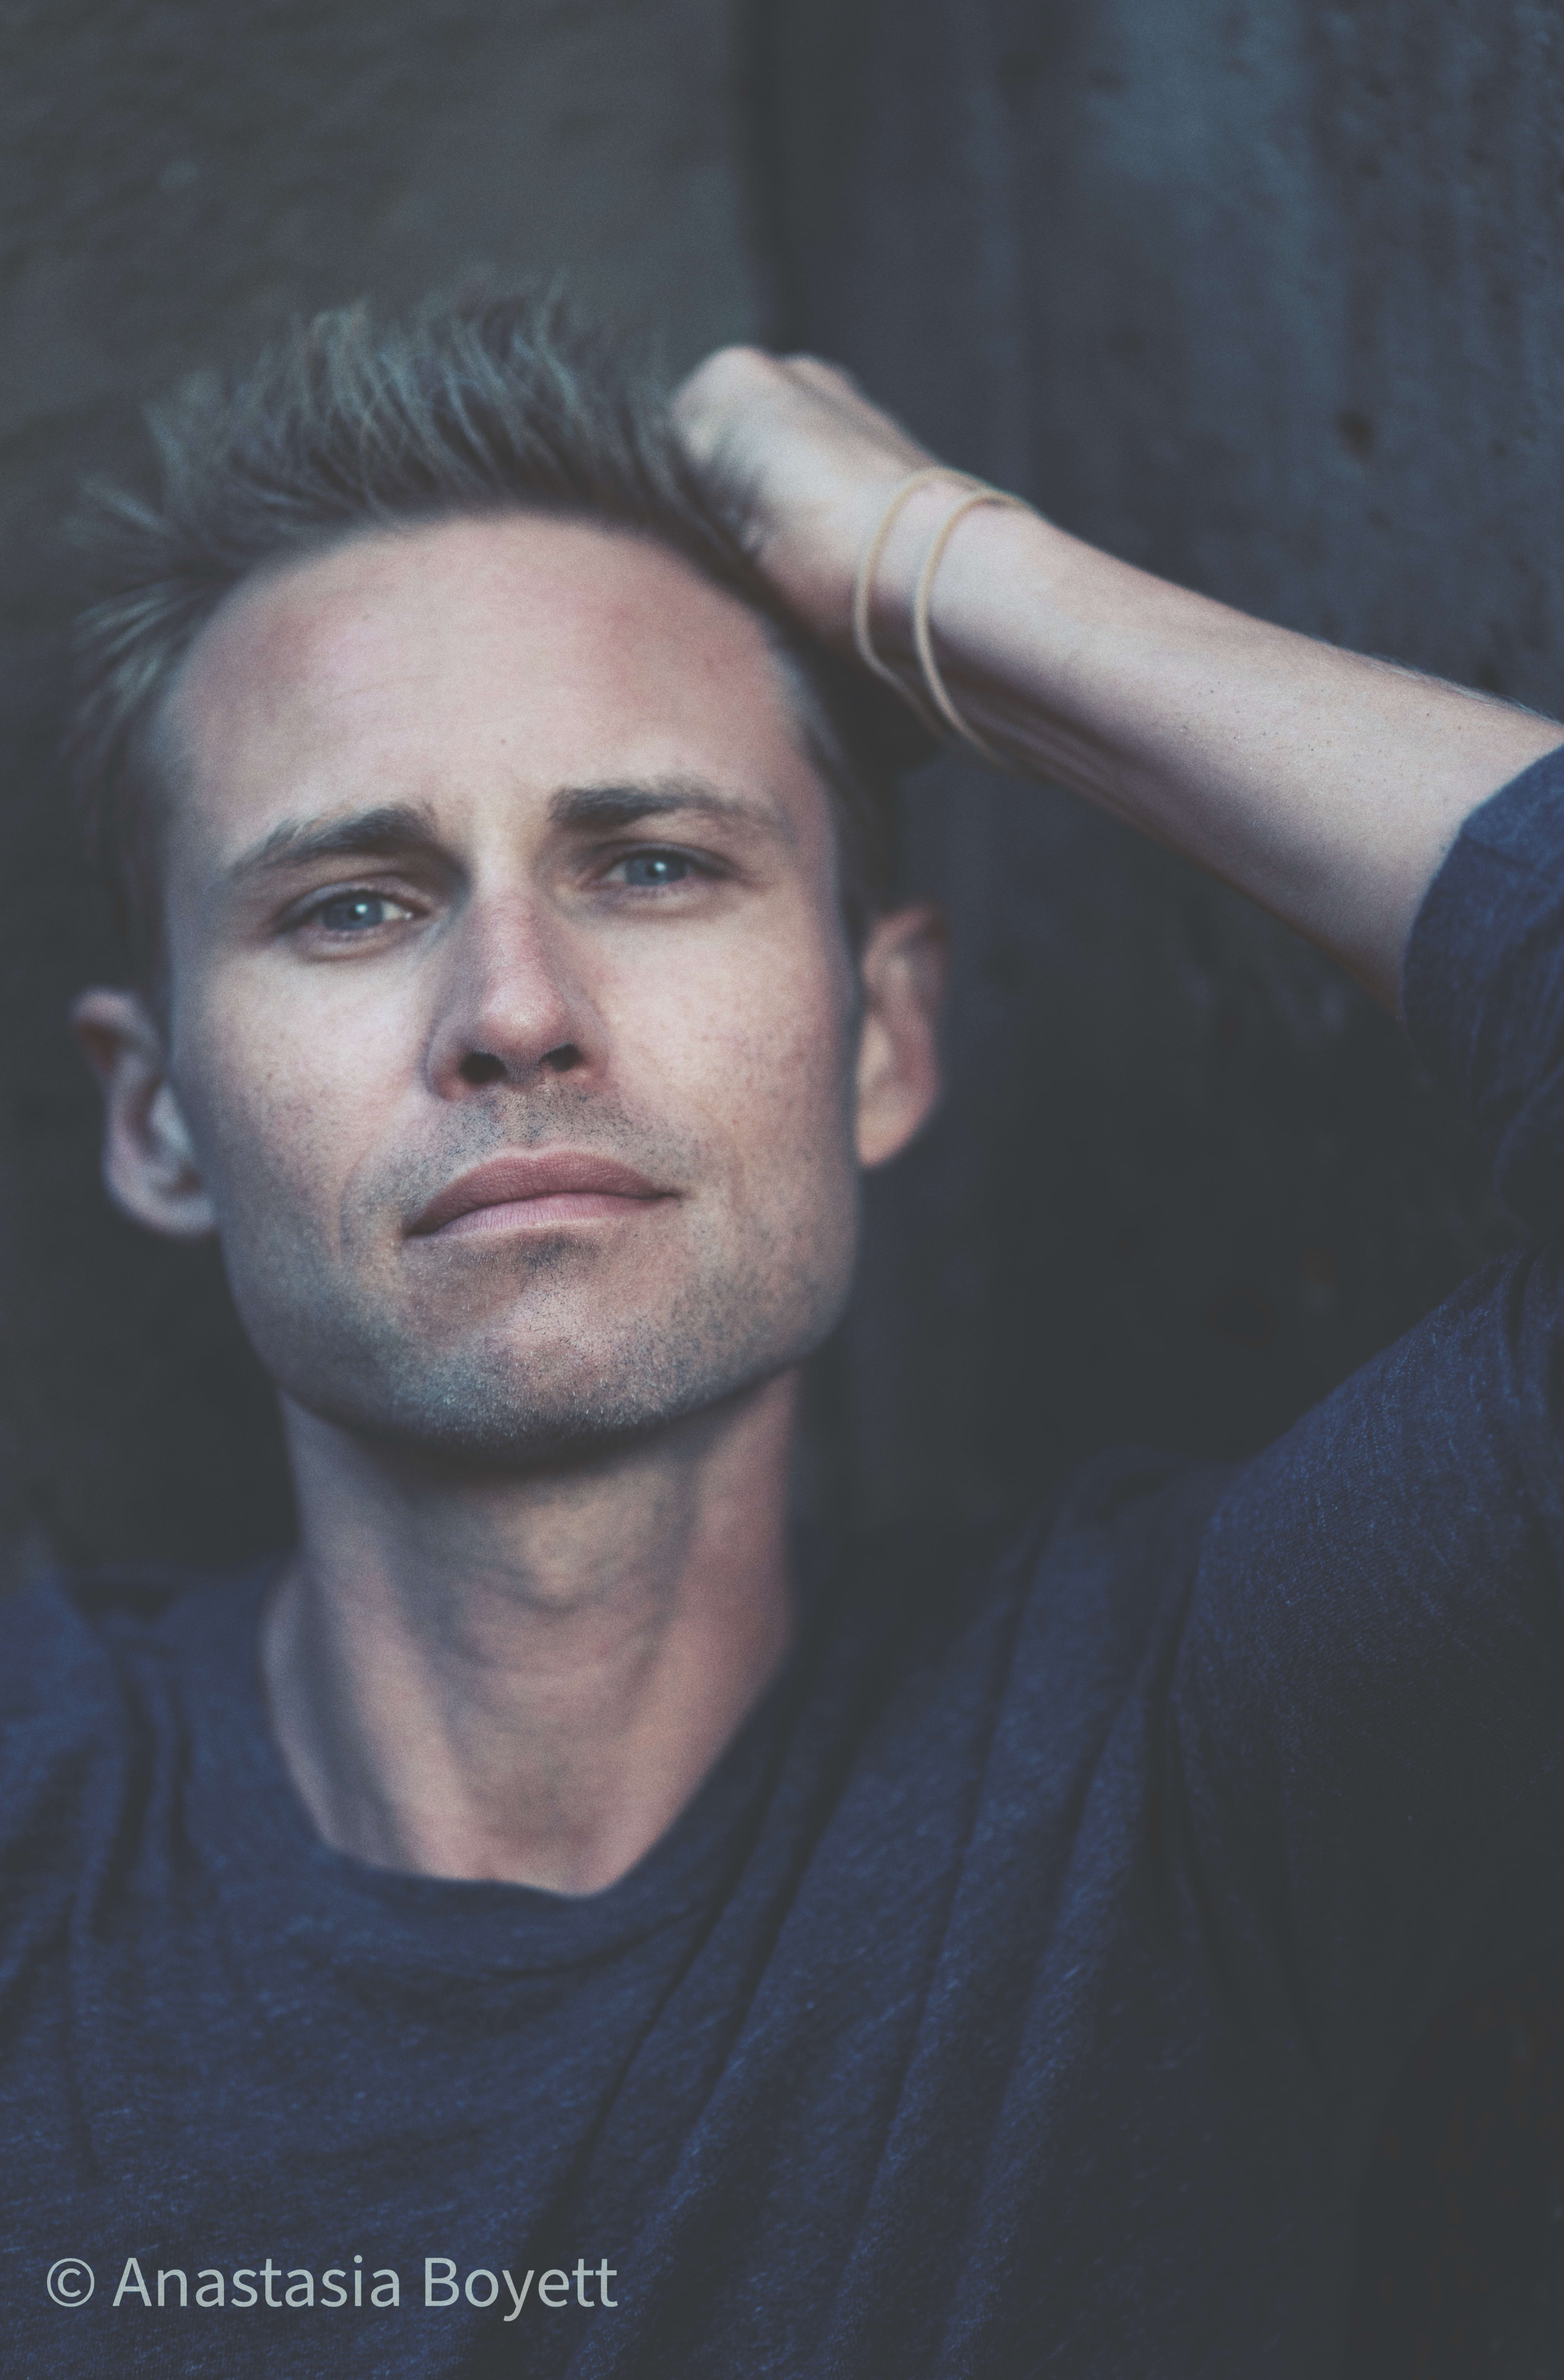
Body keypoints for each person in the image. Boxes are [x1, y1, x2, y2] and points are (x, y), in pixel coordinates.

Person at [3, 283, 1562, 2380]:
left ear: (882, 1036)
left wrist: (937, 573)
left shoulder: (1192, 1758)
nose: (514, 1011)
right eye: (352, 905)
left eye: (651, 864)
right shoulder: (37, 1821)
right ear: (156, 1118)